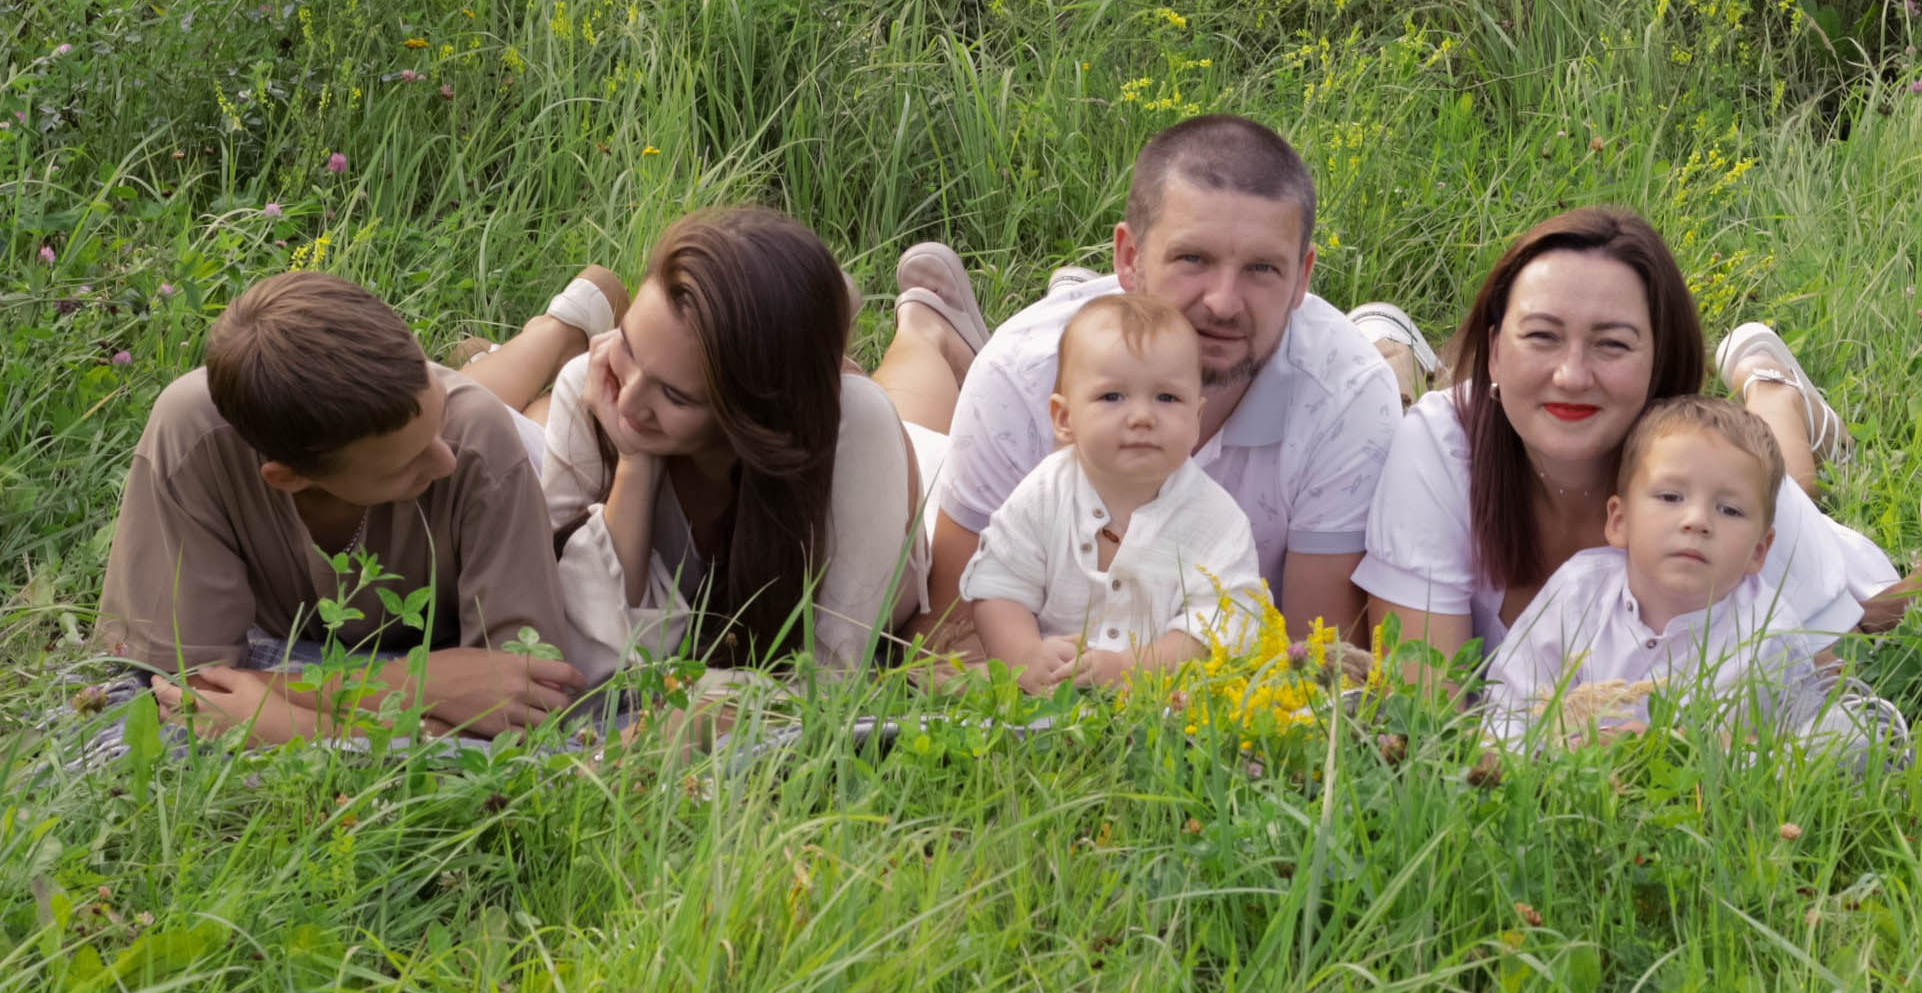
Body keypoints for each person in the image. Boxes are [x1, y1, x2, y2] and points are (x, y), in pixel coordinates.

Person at [909, 115, 1404, 651]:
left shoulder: (1346, 398)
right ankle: (928, 331)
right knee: (911, 428)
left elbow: (1319, 655)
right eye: (1193, 259)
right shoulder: (1017, 373)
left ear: (1303, 276)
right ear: (1130, 258)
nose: (1223, 302)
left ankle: (1391, 346)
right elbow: (953, 636)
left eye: (1262, 268)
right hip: (961, 453)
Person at [1357, 206, 1905, 671]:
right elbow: (1427, 712)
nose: (1572, 375)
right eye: (1542, 335)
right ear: (1495, 351)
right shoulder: (1439, 448)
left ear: (1657, 359)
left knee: (1795, 488)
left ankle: (1771, 388)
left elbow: (1827, 686)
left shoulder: (1719, 471)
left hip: (1787, 526)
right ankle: (1388, 353)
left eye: (1612, 344)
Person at [98, 271, 584, 742]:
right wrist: (411, 686)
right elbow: (187, 695)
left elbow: (524, 704)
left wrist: (293, 717)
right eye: (404, 466)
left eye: (434, 425)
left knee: (525, 421)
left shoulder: (472, 440)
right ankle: (524, 359)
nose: (444, 461)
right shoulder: (192, 437)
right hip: (457, 427)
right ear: (290, 478)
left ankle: (558, 331)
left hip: (531, 466)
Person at [539, 208, 929, 686]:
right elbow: (573, 657)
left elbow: (828, 680)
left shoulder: (859, 427)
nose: (629, 402)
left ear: (752, 415)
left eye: (675, 395)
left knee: (916, 378)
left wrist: (686, 699)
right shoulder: (594, 384)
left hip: (909, 475)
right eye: (629, 346)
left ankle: (927, 326)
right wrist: (635, 463)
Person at [1479, 396, 1825, 747]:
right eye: (1671, 497)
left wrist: (1674, 750)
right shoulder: (1578, 595)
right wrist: (1549, 757)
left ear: (1758, 551)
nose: (1697, 521)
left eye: (1729, 510)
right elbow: (1509, 706)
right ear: (1620, 520)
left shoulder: (1768, 641)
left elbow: (1794, 754)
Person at [962, 294, 1265, 692]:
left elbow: (1219, 628)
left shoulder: (1217, 522)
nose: (1142, 417)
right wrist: (1024, 655)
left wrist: (1128, 669)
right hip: (1050, 695)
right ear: (1064, 418)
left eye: (1167, 398)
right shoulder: (1044, 494)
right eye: (1112, 397)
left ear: (1195, 419)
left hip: (1165, 707)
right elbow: (999, 587)